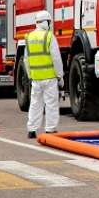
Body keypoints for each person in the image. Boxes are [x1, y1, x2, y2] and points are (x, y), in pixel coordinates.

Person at [25, 10, 64, 139]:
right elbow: (56, 58)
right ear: (46, 22)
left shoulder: (29, 37)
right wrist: (60, 76)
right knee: (51, 104)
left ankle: (31, 130)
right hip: (49, 77)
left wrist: (30, 75)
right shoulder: (49, 36)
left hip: (36, 78)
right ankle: (50, 129)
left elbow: (26, 59)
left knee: (35, 104)